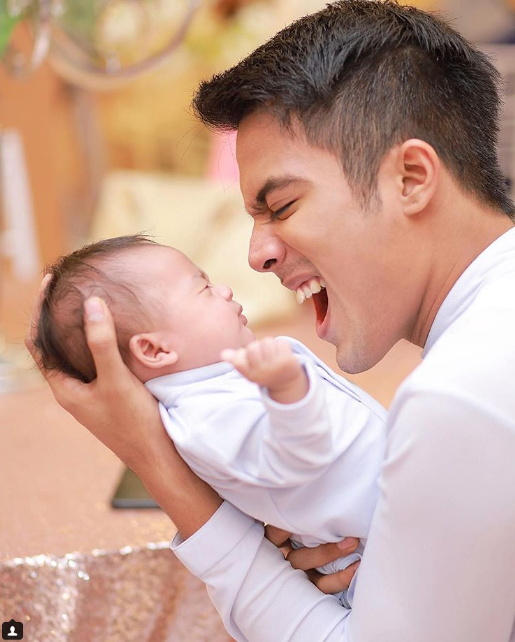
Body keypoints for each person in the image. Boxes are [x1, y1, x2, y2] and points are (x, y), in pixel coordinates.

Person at [27, 1, 515, 640]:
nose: (255, 255)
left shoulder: (458, 398)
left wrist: (154, 459)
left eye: (280, 205)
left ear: (413, 178)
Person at [35, 234, 387, 605]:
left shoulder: (219, 386)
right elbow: (298, 459)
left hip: (393, 513)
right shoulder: (205, 420)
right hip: (374, 555)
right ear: (155, 349)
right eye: (203, 288)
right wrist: (290, 393)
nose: (224, 290)